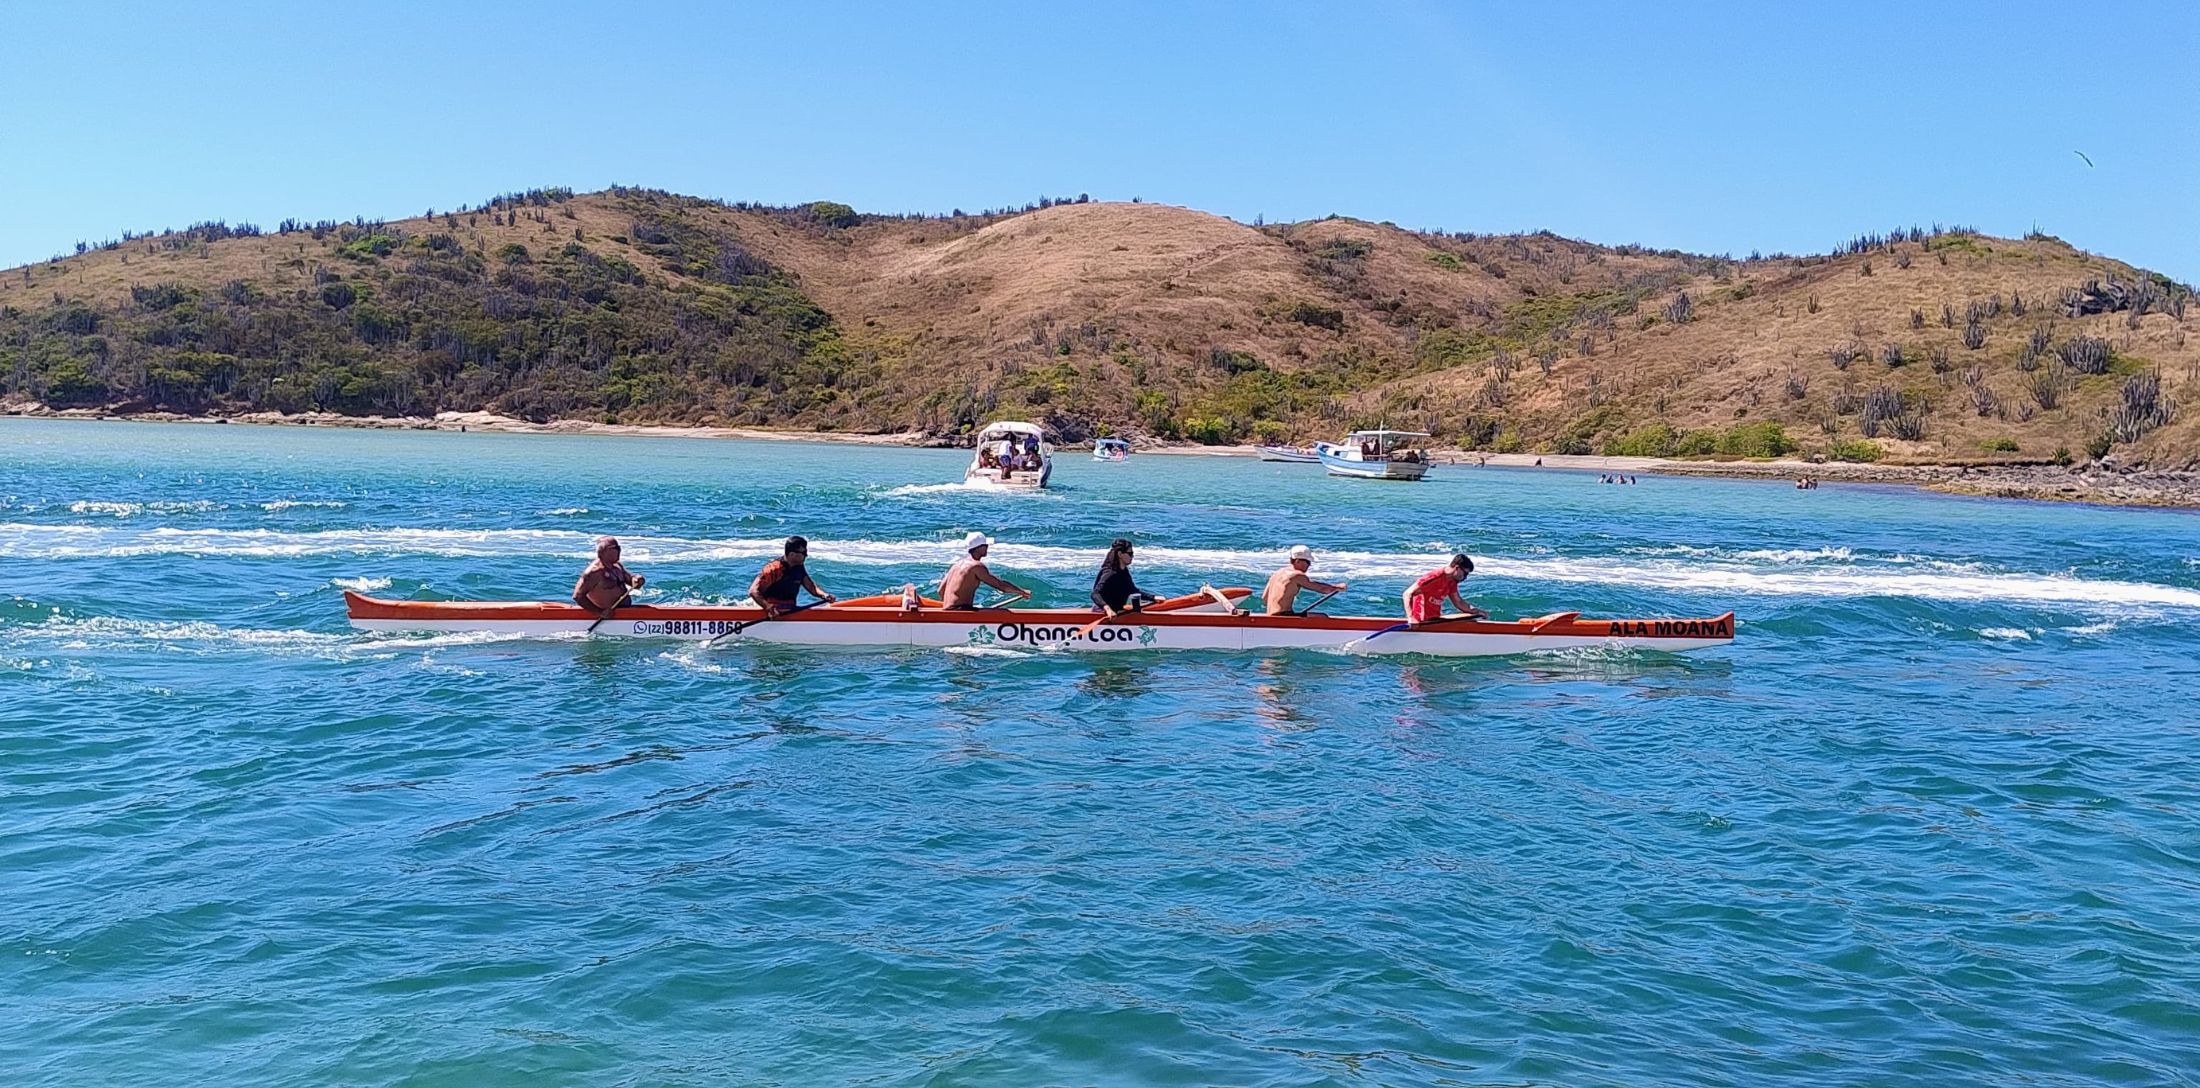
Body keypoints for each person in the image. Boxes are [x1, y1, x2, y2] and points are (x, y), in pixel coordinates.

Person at [750, 535, 835, 616]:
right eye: (803, 552)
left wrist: (824, 595)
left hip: (789, 609)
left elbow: (811, 587)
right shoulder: (773, 569)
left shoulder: (799, 567)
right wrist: (768, 607)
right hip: (771, 612)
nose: (806, 555)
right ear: (792, 554)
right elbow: (753, 591)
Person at [942, 531, 1030, 609]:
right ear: (978, 548)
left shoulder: (956, 565)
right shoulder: (976, 566)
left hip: (949, 610)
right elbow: (1000, 585)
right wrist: (1022, 591)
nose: (987, 547)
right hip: (961, 612)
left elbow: (941, 590)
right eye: (985, 545)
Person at [1263, 545, 1348, 616]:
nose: (1309, 565)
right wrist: (1338, 587)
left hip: (1270, 616)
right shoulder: (1297, 575)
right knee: (1322, 617)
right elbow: (1323, 589)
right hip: (1284, 616)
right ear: (1297, 561)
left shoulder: (1277, 573)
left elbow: (1264, 597)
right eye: (1308, 562)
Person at [572, 536, 645, 619]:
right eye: (615, 548)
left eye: (619, 547)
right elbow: (578, 596)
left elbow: (630, 580)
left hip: (625, 613)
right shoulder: (594, 572)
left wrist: (636, 579)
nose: (619, 550)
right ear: (603, 551)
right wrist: (599, 612)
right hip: (609, 617)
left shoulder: (617, 566)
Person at [1403, 554, 1486, 625]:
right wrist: (1411, 618)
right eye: (1465, 573)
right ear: (1457, 568)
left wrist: (1477, 611)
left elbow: (1459, 602)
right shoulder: (1434, 577)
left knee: (1471, 618)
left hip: (1434, 621)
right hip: (1420, 622)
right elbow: (1407, 594)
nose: (1465, 577)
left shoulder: (1452, 582)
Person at [1090, 538, 1155, 616]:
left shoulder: (1124, 571)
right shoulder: (1110, 573)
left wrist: (1153, 598)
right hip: (1104, 611)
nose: (1132, 556)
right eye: (1130, 554)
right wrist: (1107, 609)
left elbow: (1132, 591)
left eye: (1132, 554)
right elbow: (1095, 593)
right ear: (1120, 554)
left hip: (1118, 609)